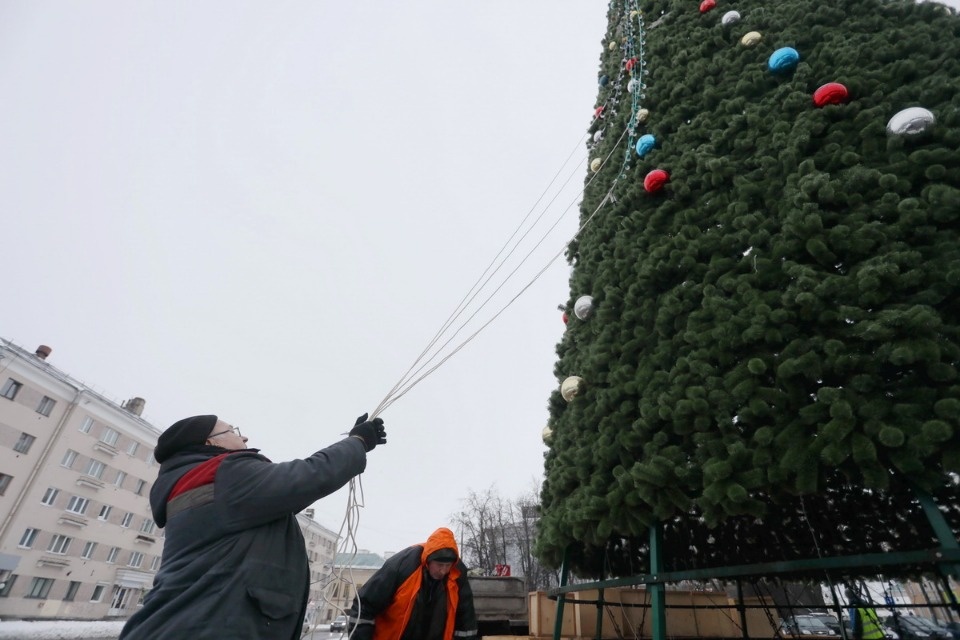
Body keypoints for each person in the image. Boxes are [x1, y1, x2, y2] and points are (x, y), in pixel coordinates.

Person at [120, 412, 387, 639]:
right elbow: (304, 477)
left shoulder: (199, 484)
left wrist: (354, 442)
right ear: (210, 442)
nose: (244, 438)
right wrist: (357, 442)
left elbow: (282, 496)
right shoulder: (223, 475)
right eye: (233, 431)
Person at [346, 527, 478, 640]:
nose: (443, 570)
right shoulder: (402, 566)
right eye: (439, 565)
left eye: (447, 565)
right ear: (428, 560)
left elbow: (465, 619)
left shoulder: (457, 574)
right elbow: (364, 606)